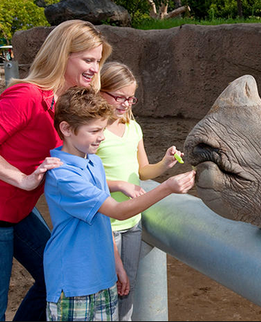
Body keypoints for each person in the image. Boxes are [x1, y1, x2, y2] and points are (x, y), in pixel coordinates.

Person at [0, 19, 112, 321]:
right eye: (88, 59)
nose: (94, 68)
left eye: (98, 61)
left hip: (20, 211)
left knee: (52, 277)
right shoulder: (27, 95)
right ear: (63, 54)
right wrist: (23, 179)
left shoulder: (66, 103)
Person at [43, 86, 195, 321]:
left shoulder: (94, 162)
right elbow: (117, 211)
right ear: (66, 129)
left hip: (103, 277)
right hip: (74, 282)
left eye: (102, 129)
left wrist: (117, 265)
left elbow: (104, 220)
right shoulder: (63, 176)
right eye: (94, 131)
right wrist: (167, 188)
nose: (102, 137)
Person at [96, 61, 185, 320]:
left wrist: (164, 164)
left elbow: (143, 170)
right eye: (119, 97)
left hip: (132, 221)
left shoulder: (134, 128)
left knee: (128, 284)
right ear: (101, 90)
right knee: (108, 285)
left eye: (131, 99)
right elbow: (84, 177)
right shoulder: (92, 130)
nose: (124, 104)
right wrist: (118, 184)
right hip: (105, 222)